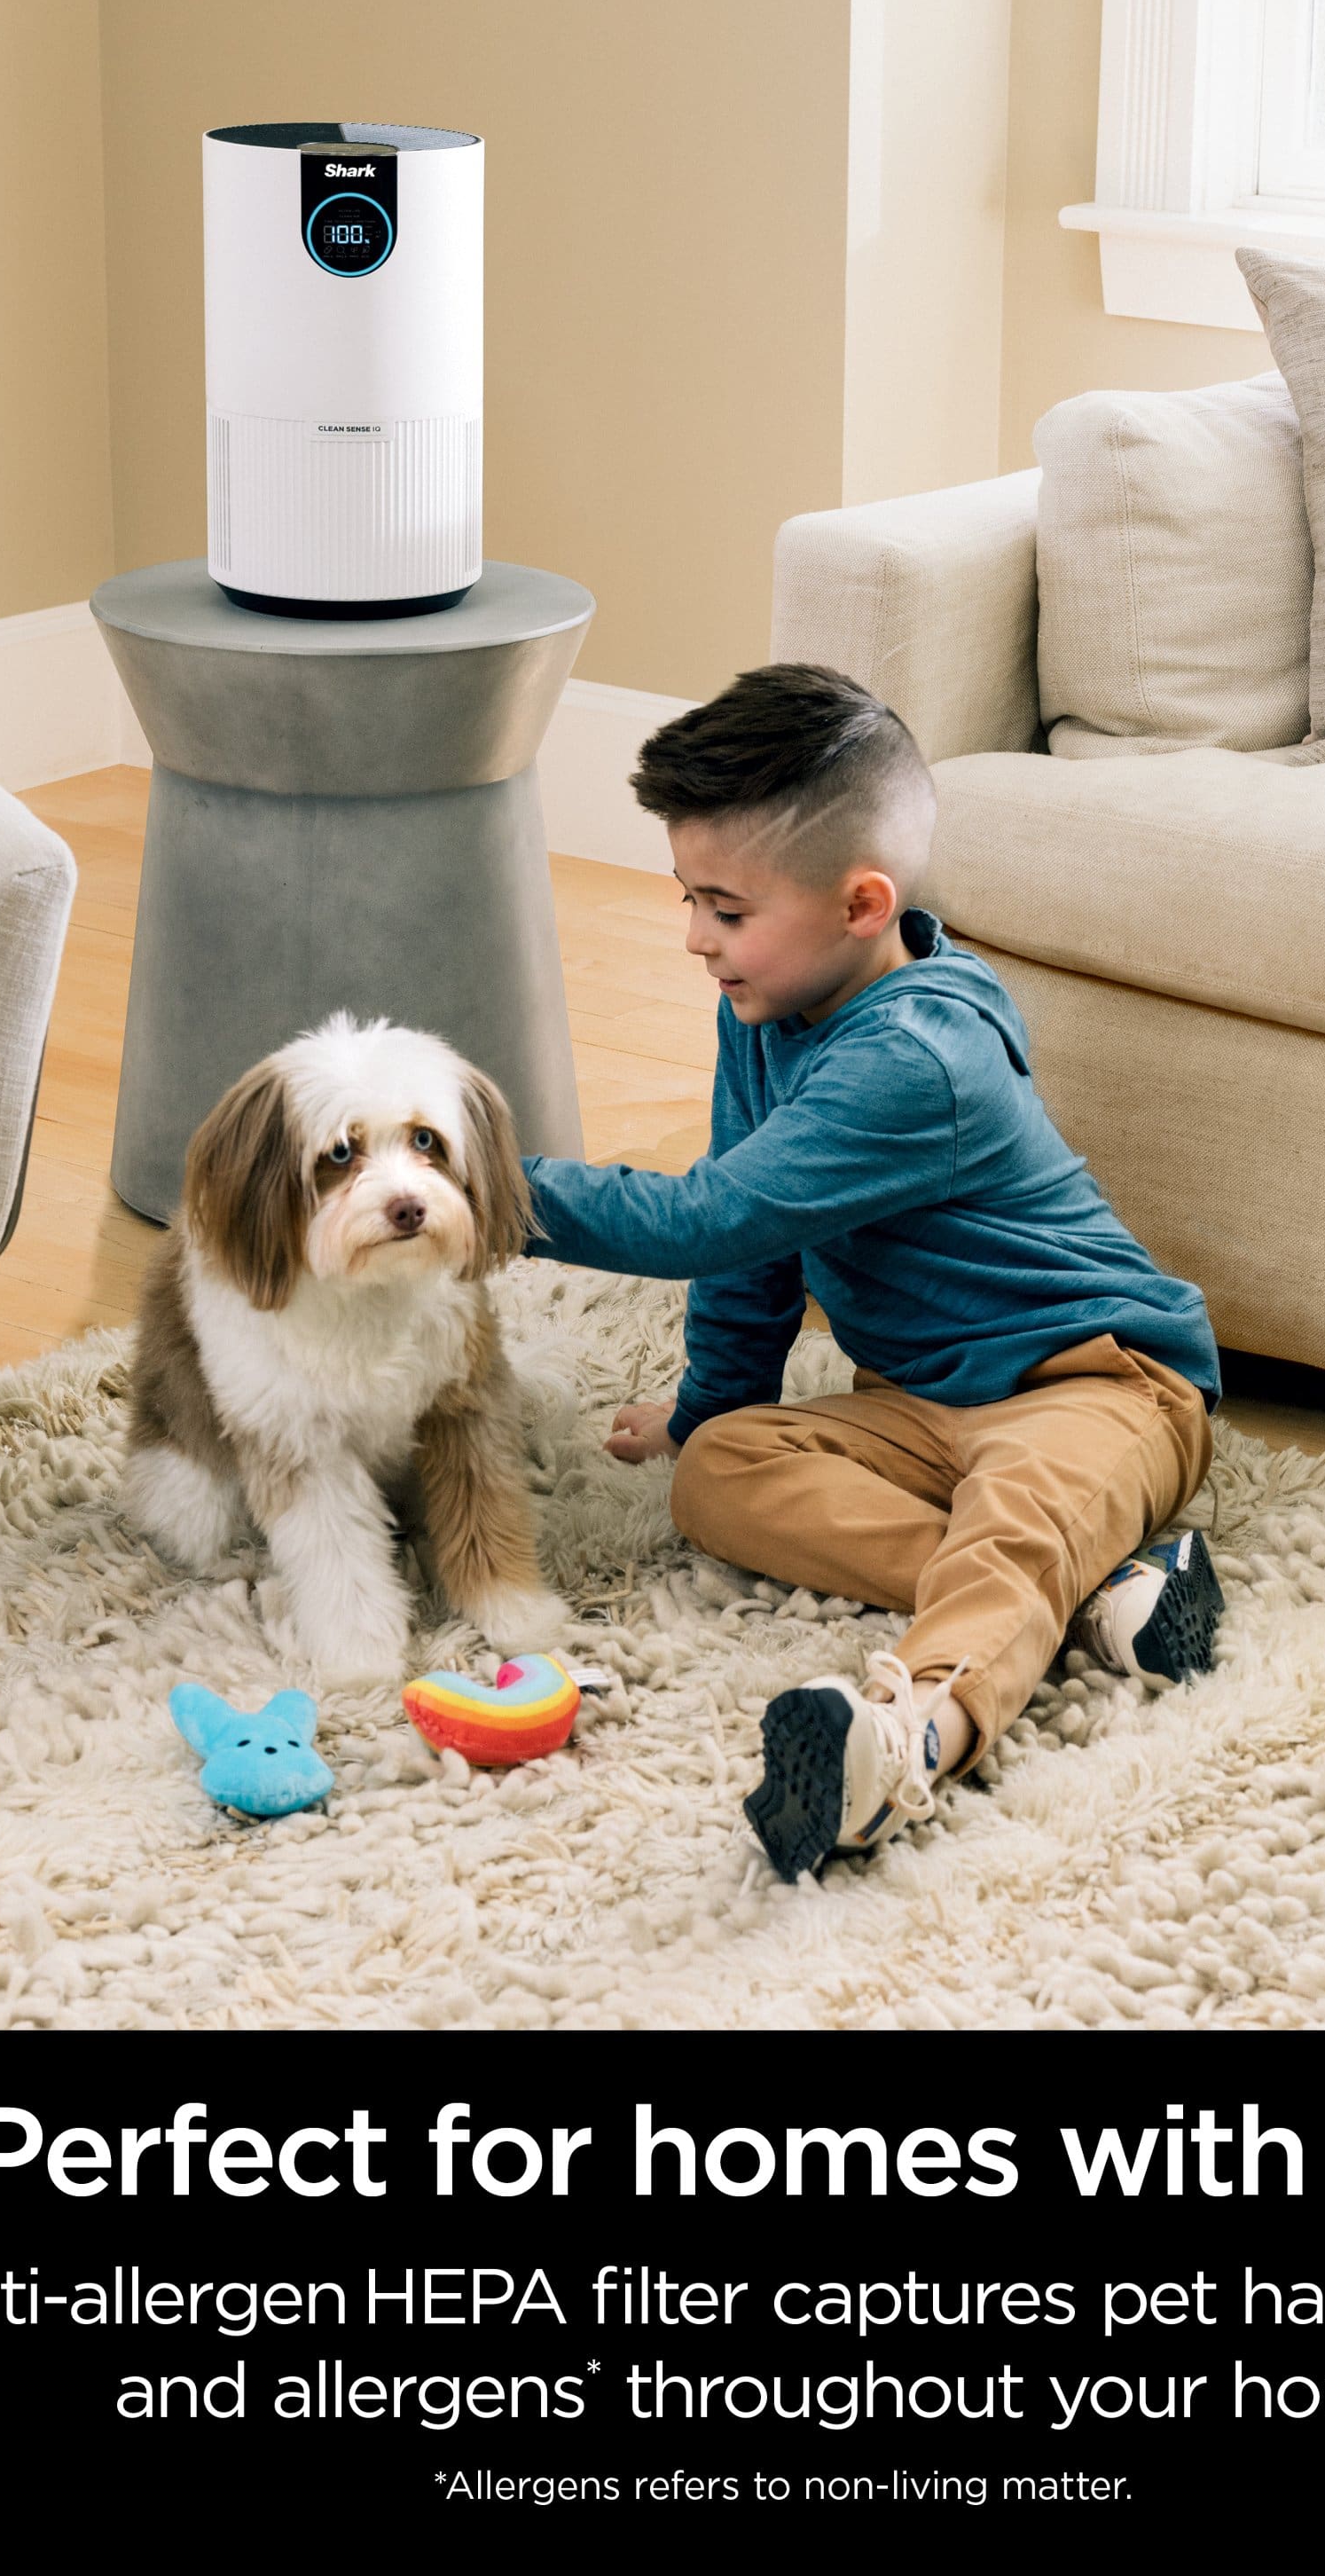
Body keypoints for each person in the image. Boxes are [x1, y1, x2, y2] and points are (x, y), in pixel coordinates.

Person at [522, 662, 1226, 1881]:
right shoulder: (766, 1014)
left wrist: (480, 1185)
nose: (696, 940)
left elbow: (701, 1220)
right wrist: (704, 1411)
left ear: (862, 903)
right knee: (721, 1476)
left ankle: (905, 1745)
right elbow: (750, 1255)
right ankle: (1097, 1590)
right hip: (914, 1402)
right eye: (689, 899)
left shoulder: (917, 1055)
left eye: (727, 911)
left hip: (1101, 1386)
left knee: (1013, 1525)